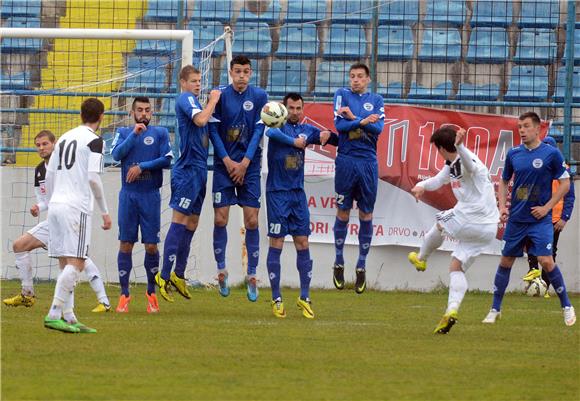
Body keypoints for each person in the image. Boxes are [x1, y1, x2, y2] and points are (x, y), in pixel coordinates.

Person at [482, 112, 576, 326]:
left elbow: (565, 184)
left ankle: (566, 306)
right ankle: (495, 309)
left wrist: (547, 208)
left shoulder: (551, 154)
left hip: (540, 220)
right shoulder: (514, 154)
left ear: (536, 128)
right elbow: (504, 181)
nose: (521, 130)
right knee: (506, 260)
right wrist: (503, 206)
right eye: (519, 127)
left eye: (525, 126)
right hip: (516, 219)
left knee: (546, 260)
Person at [3, 130, 111, 313]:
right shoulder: (39, 170)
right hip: (53, 219)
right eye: (38, 145)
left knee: (79, 259)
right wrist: (38, 206)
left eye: (45, 144)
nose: (41, 148)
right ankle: (27, 294)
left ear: (55, 144)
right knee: (19, 245)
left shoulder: (67, 166)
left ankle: (104, 301)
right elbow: (45, 200)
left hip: (70, 216)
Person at [407, 127, 500, 334]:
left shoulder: (466, 160)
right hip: (487, 229)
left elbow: (471, 167)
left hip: (471, 218)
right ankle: (451, 312)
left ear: (441, 148)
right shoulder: (452, 164)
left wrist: (460, 146)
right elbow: (439, 180)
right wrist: (421, 185)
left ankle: (421, 257)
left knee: (440, 221)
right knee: (456, 267)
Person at [43, 98, 112, 333]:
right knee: (78, 262)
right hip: (76, 207)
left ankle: (69, 317)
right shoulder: (95, 141)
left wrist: (52, 201)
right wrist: (105, 211)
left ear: (81, 114)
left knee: (65, 263)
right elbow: (93, 177)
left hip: (56, 204)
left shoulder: (63, 138)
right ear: (101, 116)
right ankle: (53, 313)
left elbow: (49, 174)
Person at [265, 93, 336, 318]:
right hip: (277, 193)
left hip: (297, 194)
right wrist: (294, 142)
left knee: (303, 242)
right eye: (291, 108)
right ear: (284, 110)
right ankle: (276, 298)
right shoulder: (277, 127)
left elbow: (331, 139)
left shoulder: (306, 130)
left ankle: (304, 297)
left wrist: (329, 135)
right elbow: (270, 132)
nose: (295, 111)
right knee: (276, 242)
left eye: (298, 108)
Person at [155, 65, 221, 302]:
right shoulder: (185, 99)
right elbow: (202, 120)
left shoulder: (194, 101)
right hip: (187, 171)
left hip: (200, 170)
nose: (198, 84)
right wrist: (212, 100)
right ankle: (162, 276)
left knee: (192, 223)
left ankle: (179, 274)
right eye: (193, 81)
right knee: (180, 220)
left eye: (199, 81)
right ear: (183, 82)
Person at [208, 55, 268, 301]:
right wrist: (227, 161)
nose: (242, 76)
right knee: (220, 219)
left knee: (252, 221)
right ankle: (221, 270)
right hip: (224, 166)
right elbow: (212, 130)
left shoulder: (260, 97)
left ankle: (252, 275)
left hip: (250, 167)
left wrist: (244, 162)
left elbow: (259, 131)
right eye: (237, 71)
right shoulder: (220, 96)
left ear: (251, 73)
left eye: (246, 71)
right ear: (230, 73)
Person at [111, 97, 173, 313]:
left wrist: (142, 166)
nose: (144, 114)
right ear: (132, 112)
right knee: (126, 243)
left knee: (151, 246)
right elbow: (116, 155)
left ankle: (151, 292)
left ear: (152, 113)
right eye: (140, 110)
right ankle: (124, 295)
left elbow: (167, 159)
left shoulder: (160, 133)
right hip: (128, 196)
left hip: (150, 196)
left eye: (147, 110)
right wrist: (134, 135)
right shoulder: (123, 133)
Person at [331, 62, 385, 294]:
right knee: (343, 211)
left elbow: (379, 128)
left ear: (368, 79)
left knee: (366, 213)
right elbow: (339, 125)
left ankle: (361, 265)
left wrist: (354, 117)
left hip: (368, 163)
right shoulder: (341, 94)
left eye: (360, 76)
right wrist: (362, 120)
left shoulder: (378, 99)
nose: (355, 80)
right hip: (346, 160)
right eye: (352, 76)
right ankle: (339, 261)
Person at [522, 136, 575, 296]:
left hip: (554, 219)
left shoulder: (562, 171)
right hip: (535, 216)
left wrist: (564, 218)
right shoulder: (534, 167)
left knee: (549, 253)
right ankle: (533, 276)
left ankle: (545, 285)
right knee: (530, 245)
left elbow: (570, 196)